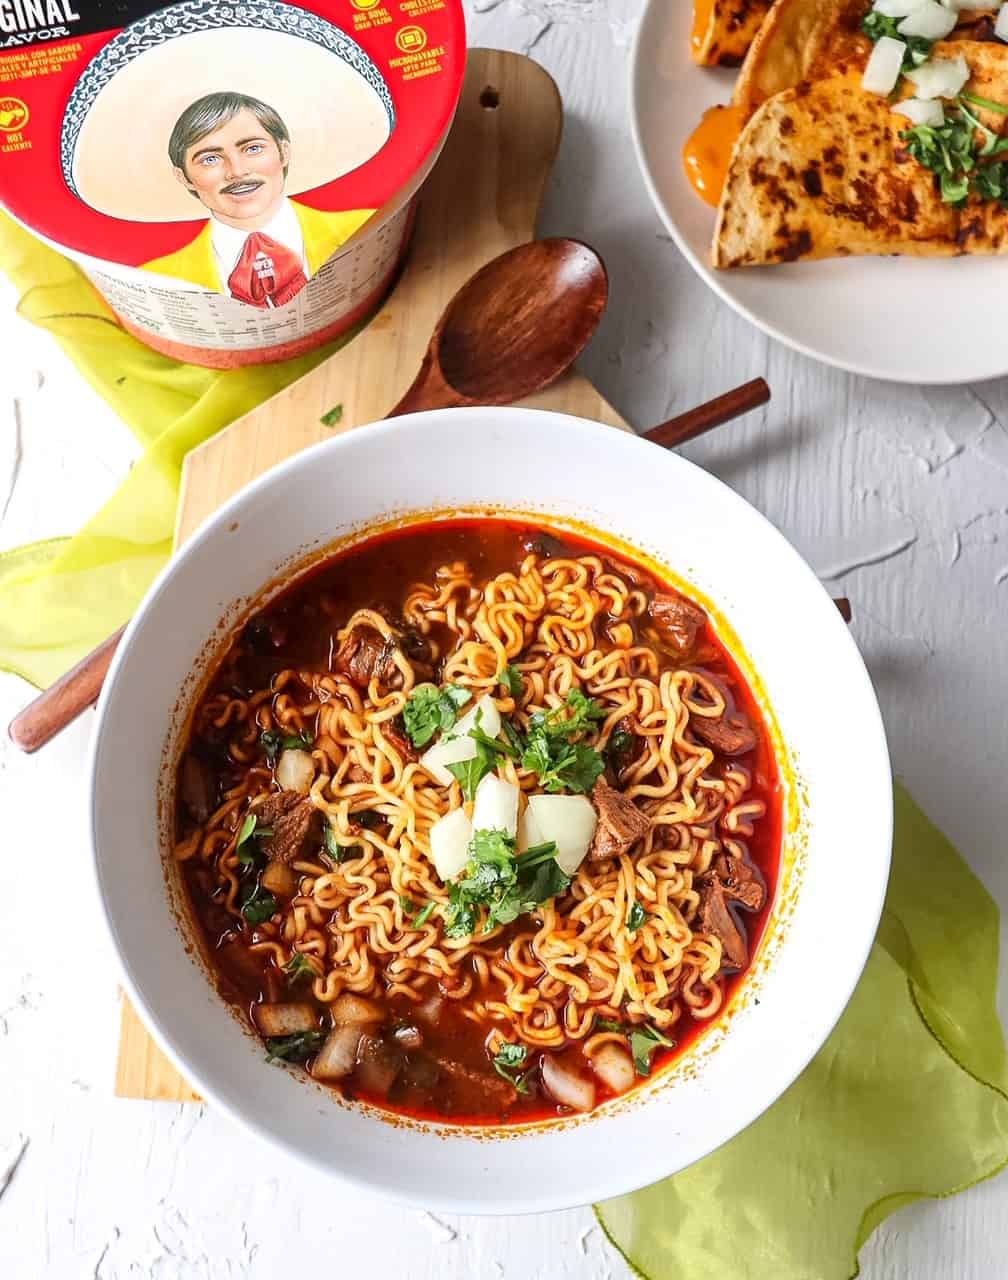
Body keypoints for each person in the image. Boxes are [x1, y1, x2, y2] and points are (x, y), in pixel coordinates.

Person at [142, 91, 372, 305]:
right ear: (184, 177)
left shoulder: (365, 227)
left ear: (284, 152)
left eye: (253, 149)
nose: (237, 171)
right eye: (210, 159)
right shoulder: (157, 278)